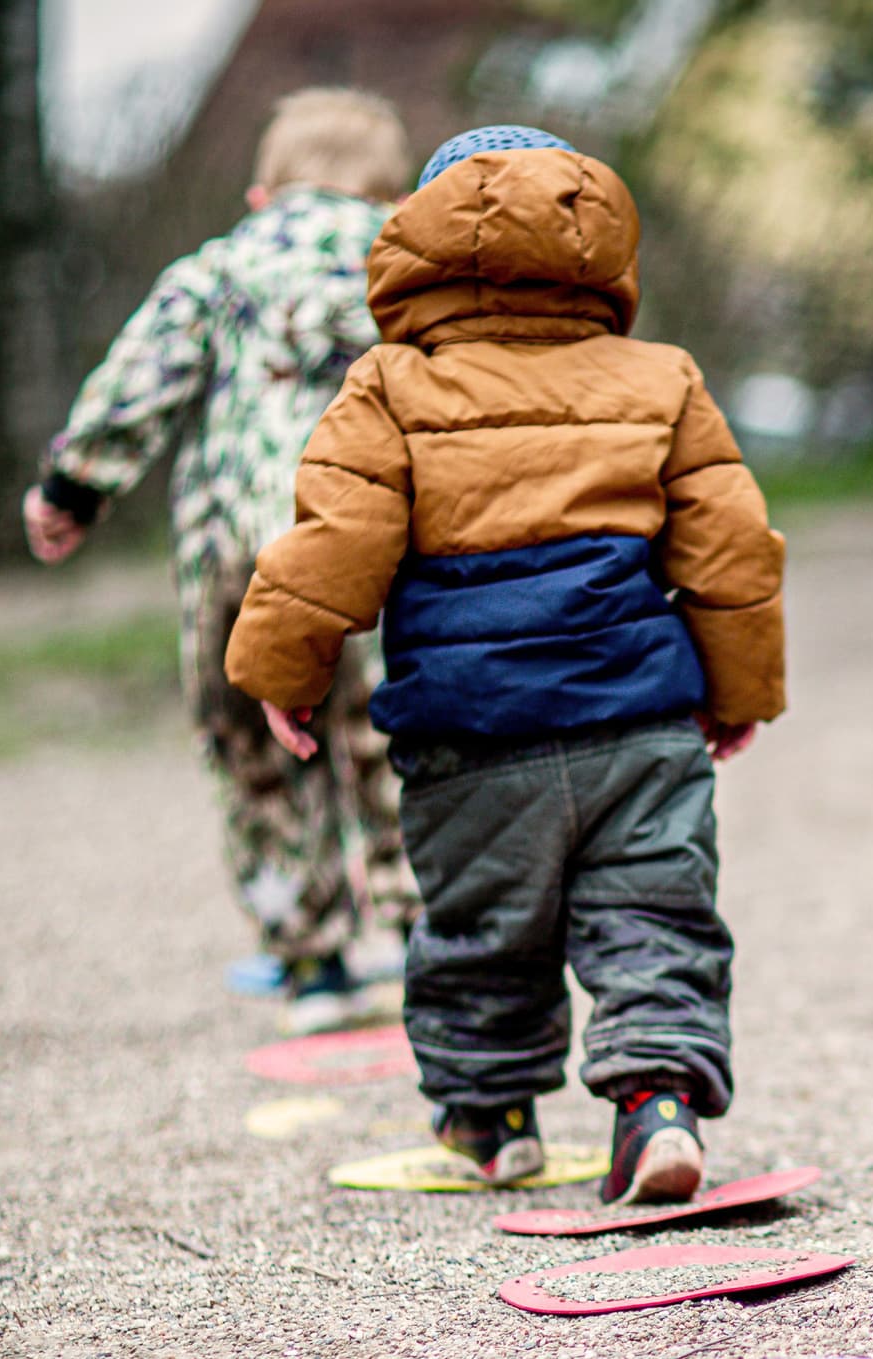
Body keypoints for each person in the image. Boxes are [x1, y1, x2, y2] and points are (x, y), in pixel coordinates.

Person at [222, 126, 787, 1205]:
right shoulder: (661, 378)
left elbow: (330, 545)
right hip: (639, 724)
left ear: (420, 241)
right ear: (596, 242)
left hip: (472, 734)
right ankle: (657, 1103)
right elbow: (729, 546)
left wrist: (285, 676)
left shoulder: (389, 386)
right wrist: (741, 686)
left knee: (482, 930)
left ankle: (493, 1124)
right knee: (653, 914)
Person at [24, 88, 422, 1036]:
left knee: (248, 737)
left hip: (239, 546)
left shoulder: (221, 268)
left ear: (259, 194)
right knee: (395, 733)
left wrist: (73, 485)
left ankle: (313, 957)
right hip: (377, 541)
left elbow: (142, 375)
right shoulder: (402, 264)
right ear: (390, 195)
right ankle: (426, 940)